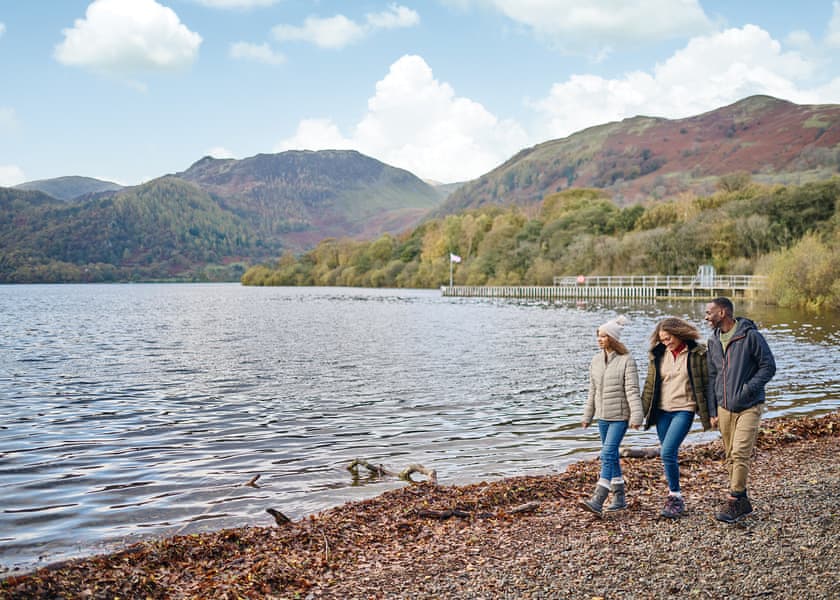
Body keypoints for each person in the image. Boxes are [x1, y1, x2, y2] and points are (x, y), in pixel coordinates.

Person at [705, 297, 776, 523]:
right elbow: (712, 376)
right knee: (730, 455)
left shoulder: (750, 336)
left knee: (740, 452)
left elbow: (768, 367)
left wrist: (747, 390)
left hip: (749, 406)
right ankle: (742, 500)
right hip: (724, 407)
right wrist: (712, 409)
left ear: (723, 313)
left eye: (709, 312)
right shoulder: (713, 340)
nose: (706, 317)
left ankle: (734, 499)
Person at [641, 317, 711, 519]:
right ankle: (674, 494)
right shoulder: (657, 355)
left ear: (679, 333)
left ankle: (675, 497)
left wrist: (712, 413)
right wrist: (639, 413)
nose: (666, 342)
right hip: (662, 411)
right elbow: (649, 386)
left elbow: (708, 384)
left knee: (667, 451)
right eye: (662, 339)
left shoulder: (698, 353)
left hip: (684, 409)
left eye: (669, 338)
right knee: (668, 455)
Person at [580, 315, 643, 516]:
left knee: (607, 454)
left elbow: (632, 390)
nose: (599, 339)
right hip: (602, 417)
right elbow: (592, 391)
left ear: (613, 338)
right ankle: (619, 498)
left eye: (604, 336)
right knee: (612, 455)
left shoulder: (627, 360)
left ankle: (599, 498)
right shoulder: (596, 361)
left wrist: (636, 416)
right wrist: (587, 415)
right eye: (598, 336)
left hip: (620, 417)